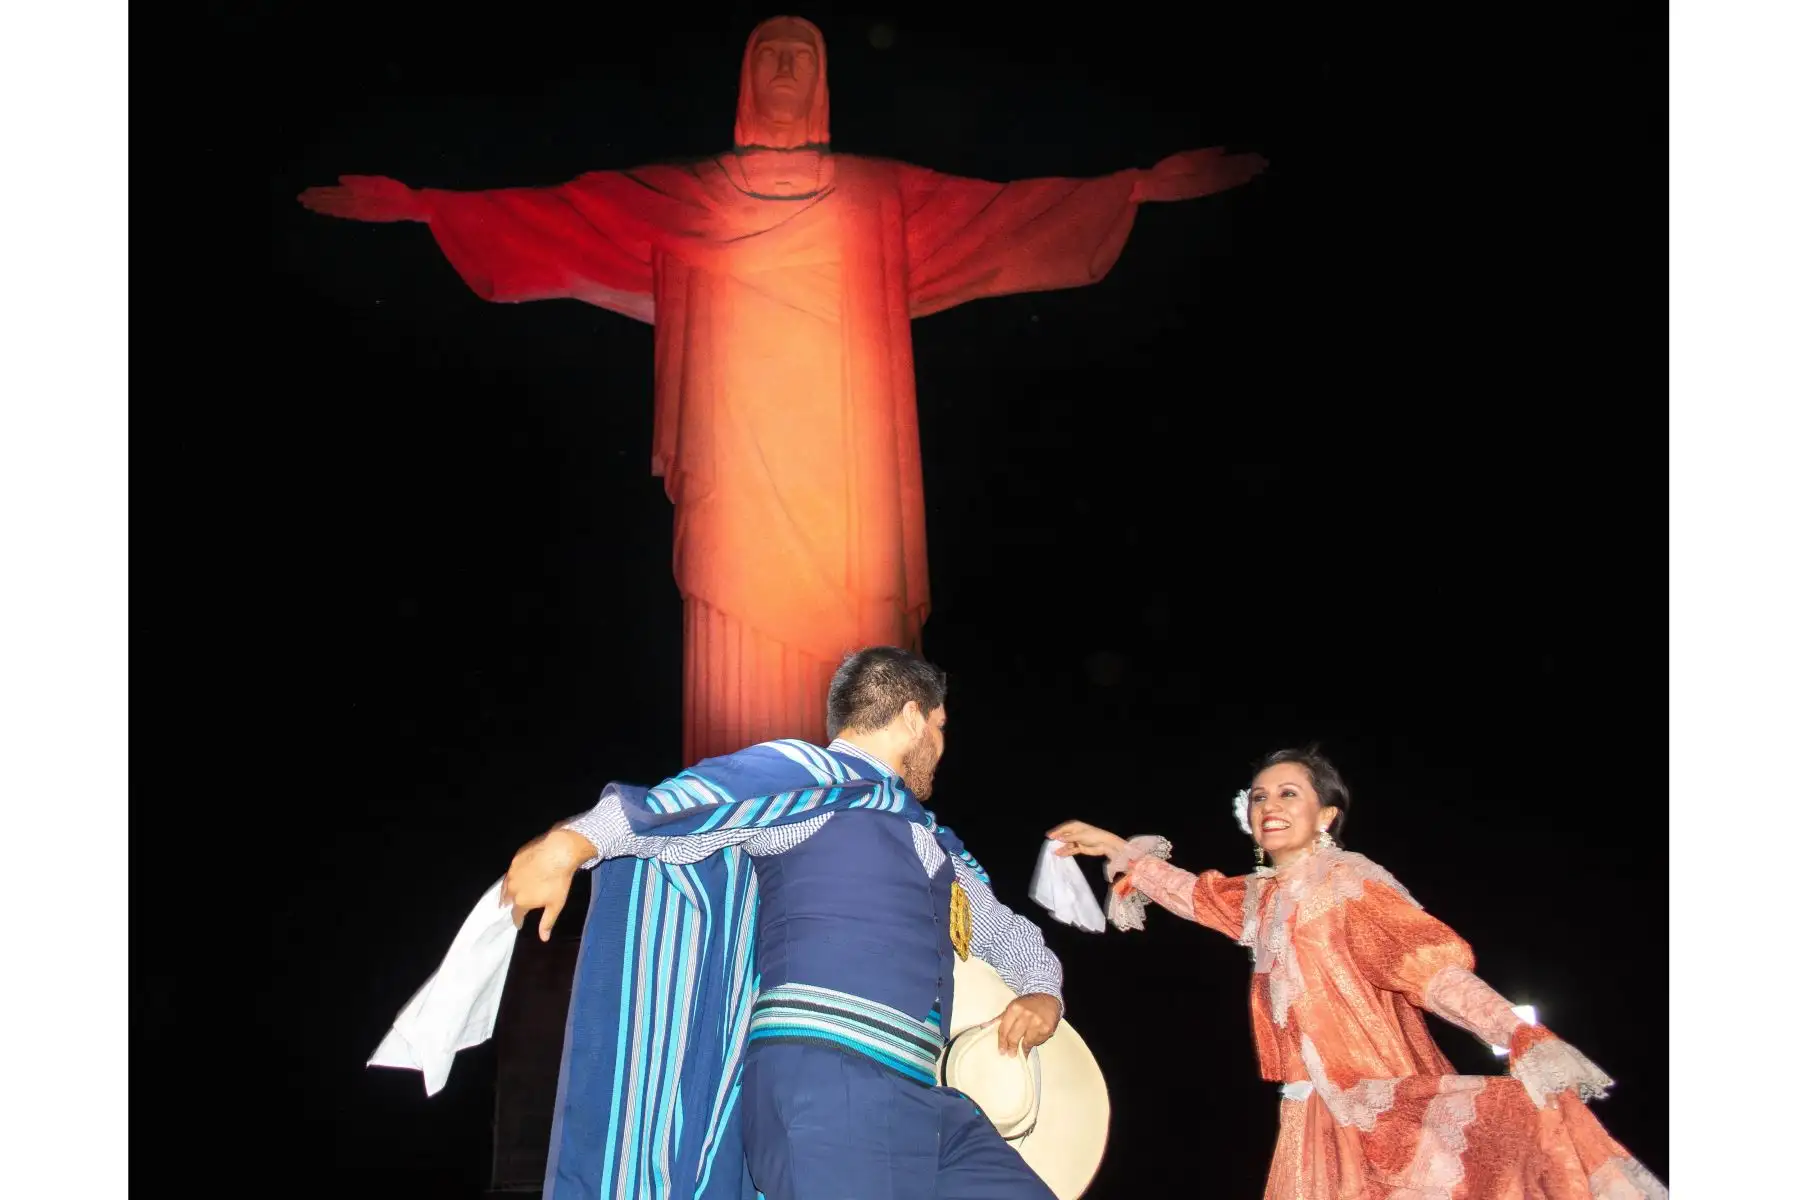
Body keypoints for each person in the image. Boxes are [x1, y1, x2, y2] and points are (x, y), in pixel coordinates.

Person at [297, 15, 1266, 765]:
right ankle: (736, 808)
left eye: (804, 54)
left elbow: (1008, 216)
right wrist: (425, 207)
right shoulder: (688, 190)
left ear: (829, 80)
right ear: (743, 80)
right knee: (736, 648)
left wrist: (1130, 190)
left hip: (850, 475)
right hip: (738, 462)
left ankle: (860, 807)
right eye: (772, 55)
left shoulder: (878, 192)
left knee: (862, 643)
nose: (788, 72)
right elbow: (559, 216)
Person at [502, 646, 1063, 1200]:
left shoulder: (935, 842)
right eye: (940, 728)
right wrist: (571, 844)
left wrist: (1044, 992)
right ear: (914, 716)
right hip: (827, 1085)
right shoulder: (810, 778)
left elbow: (1000, 931)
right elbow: (691, 804)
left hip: (929, 1100)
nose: (942, 749)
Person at [1048, 746, 1668, 1199]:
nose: (1269, 805)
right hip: (1312, 1115)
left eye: (1289, 793)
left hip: (1380, 1100)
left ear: (1326, 815)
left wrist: (1518, 1033)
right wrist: (1112, 844)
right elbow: (1193, 893)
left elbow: (1428, 968)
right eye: (1259, 796)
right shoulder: (1262, 900)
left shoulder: (1347, 884)